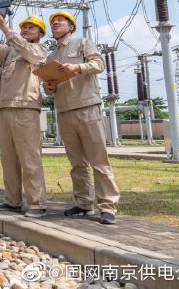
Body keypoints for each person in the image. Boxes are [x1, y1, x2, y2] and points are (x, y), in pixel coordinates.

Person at [44, 11, 120, 225]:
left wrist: (77, 67)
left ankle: (107, 206)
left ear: (71, 26)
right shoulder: (50, 57)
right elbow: (49, 89)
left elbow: (99, 65)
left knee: (99, 160)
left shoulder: (83, 44)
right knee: (77, 163)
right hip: (64, 111)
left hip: (87, 106)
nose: (55, 24)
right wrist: (48, 86)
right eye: (53, 23)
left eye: (60, 21)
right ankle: (84, 203)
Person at [0, 10, 48, 218]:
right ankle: (12, 201)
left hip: (25, 107)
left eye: (30, 27)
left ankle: (37, 203)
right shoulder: (10, 52)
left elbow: (27, 50)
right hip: (5, 106)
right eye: (23, 27)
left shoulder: (39, 50)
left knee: (30, 157)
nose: (25, 30)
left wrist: (5, 28)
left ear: (40, 34)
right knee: (8, 159)